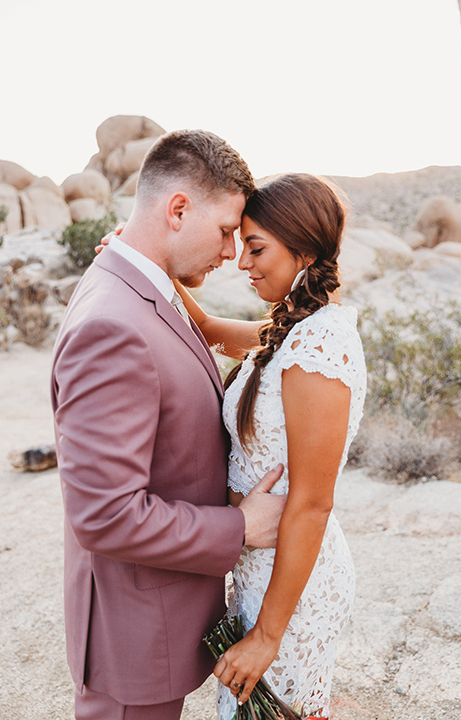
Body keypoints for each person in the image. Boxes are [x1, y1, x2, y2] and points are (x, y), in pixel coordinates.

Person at [50, 129, 287, 720]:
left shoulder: (149, 287)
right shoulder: (114, 325)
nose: (233, 251)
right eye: (228, 229)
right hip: (135, 637)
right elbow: (105, 515)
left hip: (160, 616)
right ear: (178, 209)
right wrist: (240, 527)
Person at [173, 172, 367, 719]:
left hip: (294, 592)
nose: (242, 262)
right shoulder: (291, 331)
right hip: (262, 567)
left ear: (303, 249)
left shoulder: (319, 346)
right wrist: (141, 259)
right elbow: (207, 325)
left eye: (256, 248)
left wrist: (266, 635)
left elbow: (311, 502)